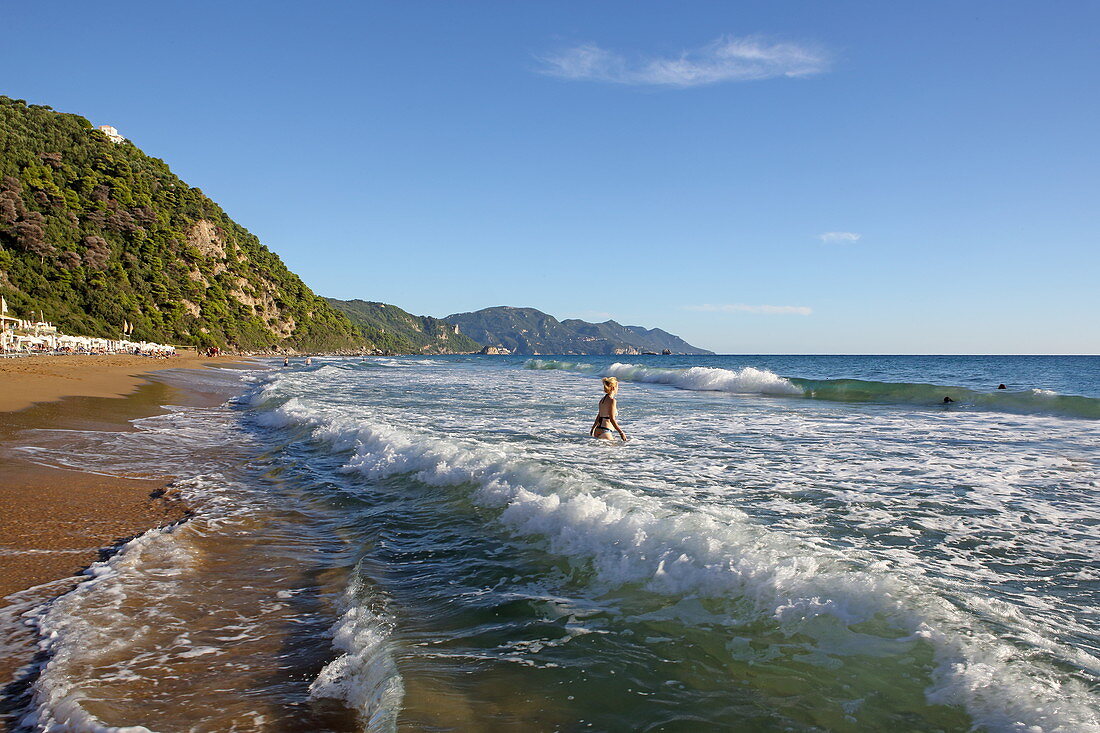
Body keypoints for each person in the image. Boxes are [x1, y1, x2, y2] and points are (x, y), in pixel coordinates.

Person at [591, 377, 628, 441]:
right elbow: (612, 419)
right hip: (605, 431)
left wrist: (593, 429)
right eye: (617, 387)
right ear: (613, 388)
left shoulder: (602, 400)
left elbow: (599, 415)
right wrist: (621, 433)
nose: (618, 389)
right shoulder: (612, 401)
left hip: (597, 430)